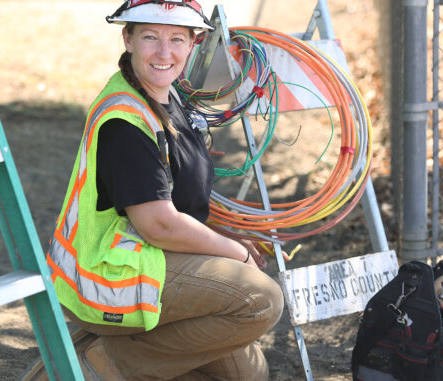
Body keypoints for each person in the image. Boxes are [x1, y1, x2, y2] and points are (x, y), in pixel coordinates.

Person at [46, 1, 286, 379]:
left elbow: (178, 207)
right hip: (108, 275)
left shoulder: (168, 96)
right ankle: (100, 365)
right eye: (150, 37)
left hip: (149, 257)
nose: (164, 52)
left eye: (177, 38)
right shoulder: (124, 121)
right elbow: (159, 225)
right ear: (127, 39)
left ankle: (122, 353)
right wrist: (236, 254)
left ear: (194, 44)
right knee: (261, 299)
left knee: (246, 375)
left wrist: (224, 236)